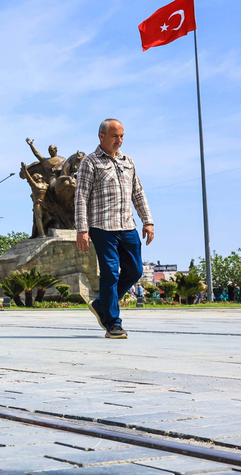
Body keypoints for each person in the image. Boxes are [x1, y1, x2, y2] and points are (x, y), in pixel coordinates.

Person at [75, 119, 154, 339]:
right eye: (114, 136)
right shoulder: (90, 162)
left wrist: (148, 221)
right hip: (102, 227)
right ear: (101, 137)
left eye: (121, 136)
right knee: (110, 273)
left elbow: (138, 192)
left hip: (128, 226)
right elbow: (80, 198)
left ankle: (101, 304)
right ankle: (113, 323)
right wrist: (82, 230)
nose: (119, 140)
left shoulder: (128, 162)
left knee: (135, 270)